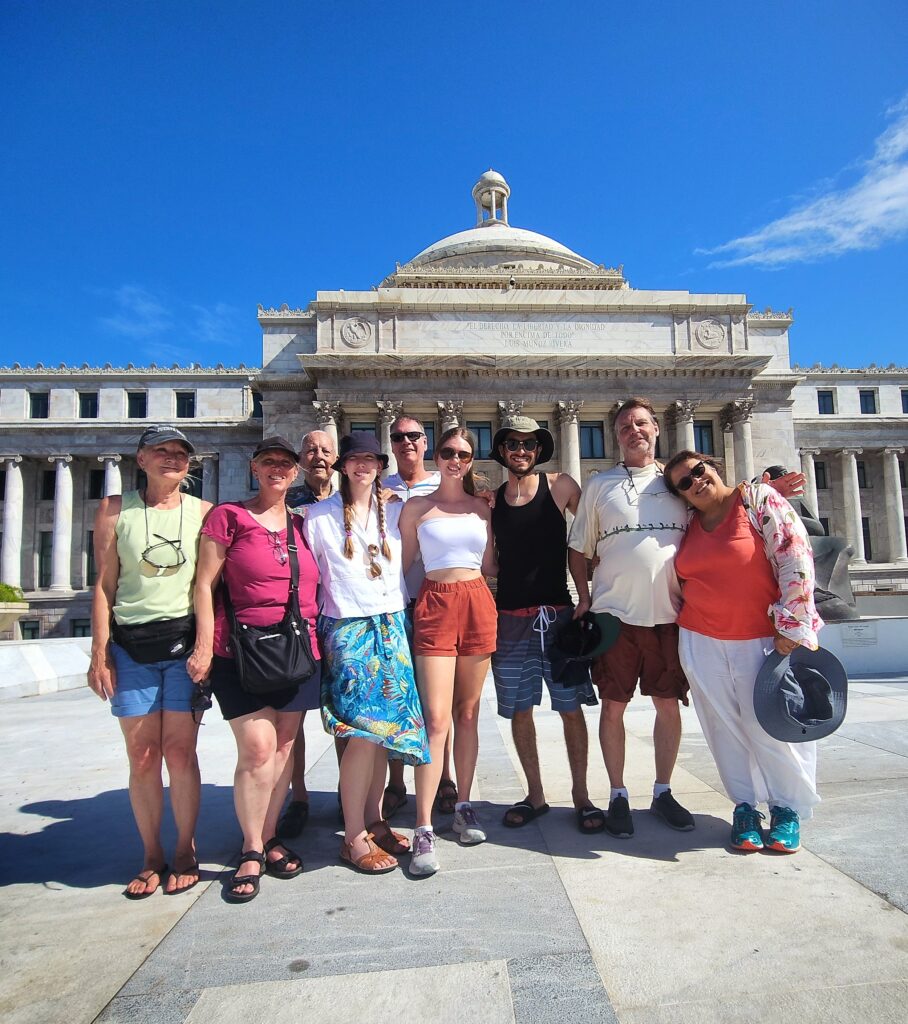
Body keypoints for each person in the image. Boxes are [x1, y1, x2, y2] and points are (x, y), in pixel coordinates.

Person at [569, 397, 806, 840]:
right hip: (613, 617)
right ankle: (618, 794)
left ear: (657, 428)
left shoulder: (678, 484)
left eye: (641, 423)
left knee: (667, 706)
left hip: (671, 618)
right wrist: (583, 597)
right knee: (614, 708)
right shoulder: (599, 485)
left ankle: (662, 791)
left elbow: (723, 505)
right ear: (614, 435)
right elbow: (578, 547)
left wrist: (765, 488)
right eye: (624, 427)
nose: (633, 431)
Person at [663, 450, 823, 853]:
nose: (696, 482)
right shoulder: (688, 523)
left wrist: (793, 625)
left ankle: (787, 809)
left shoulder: (758, 500)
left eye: (698, 471)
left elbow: (795, 556)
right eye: (684, 482)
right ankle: (745, 808)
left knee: (772, 726)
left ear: (712, 466)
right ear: (681, 495)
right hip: (701, 639)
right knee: (724, 729)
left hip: (763, 640)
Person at [189, 436, 320, 903]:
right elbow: (204, 584)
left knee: (284, 746)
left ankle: (267, 838)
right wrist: (203, 645)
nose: (278, 469)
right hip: (238, 650)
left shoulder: (303, 525)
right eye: (269, 462)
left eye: (286, 464)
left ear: (296, 472)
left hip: (299, 651)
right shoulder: (228, 517)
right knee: (258, 748)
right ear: (254, 467)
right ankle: (249, 847)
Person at [88, 424, 211, 898]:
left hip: (181, 644)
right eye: (161, 451)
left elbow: (205, 588)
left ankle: (184, 849)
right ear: (140, 459)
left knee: (180, 753)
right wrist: (99, 652)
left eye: (180, 453)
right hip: (130, 646)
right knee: (142, 757)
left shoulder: (203, 512)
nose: (172, 458)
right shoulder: (115, 510)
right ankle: (150, 854)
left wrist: (204, 647)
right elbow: (104, 585)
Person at [304, 432, 430, 873]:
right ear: (343, 467)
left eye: (369, 460)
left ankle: (376, 821)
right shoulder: (317, 517)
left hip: (392, 624)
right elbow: (314, 578)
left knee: (383, 734)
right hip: (347, 628)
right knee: (359, 733)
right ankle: (353, 833)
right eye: (354, 459)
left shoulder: (395, 511)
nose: (362, 466)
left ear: (380, 465)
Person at [489, 417, 603, 832]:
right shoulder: (493, 499)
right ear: (501, 450)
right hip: (510, 619)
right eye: (513, 444)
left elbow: (593, 530)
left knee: (570, 709)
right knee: (520, 711)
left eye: (530, 444)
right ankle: (535, 795)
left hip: (557, 617)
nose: (522, 451)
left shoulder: (561, 486)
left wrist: (588, 590)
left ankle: (582, 795)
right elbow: (490, 561)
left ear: (539, 450)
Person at [399, 426, 498, 876]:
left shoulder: (483, 508)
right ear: (435, 456)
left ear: (471, 459)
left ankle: (463, 805)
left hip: (478, 599)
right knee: (435, 719)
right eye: (447, 451)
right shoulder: (416, 508)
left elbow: (493, 563)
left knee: (469, 714)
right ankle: (423, 826)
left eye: (463, 453)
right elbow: (400, 568)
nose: (455, 459)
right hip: (435, 601)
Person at [382, 415, 456, 819]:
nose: (406, 442)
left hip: (437, 604)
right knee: (398, 697)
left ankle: (445, 777)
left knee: (437, 701)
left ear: (426, 442)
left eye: (414, 436)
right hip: (393, 605)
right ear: (391, 444)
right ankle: (396, 781)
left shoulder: (444, 485)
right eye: (399, 437)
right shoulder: (379, 489)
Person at [276, 429, 338, 840]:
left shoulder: (351, 499)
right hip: (298, 621)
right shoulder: (286, 504)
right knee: (293, 717)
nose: (318, 456)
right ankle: (298, 797)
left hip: (343, 617)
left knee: (347, 712)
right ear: (300, 459)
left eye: (325, 450)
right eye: (310, 450)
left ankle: (351, 792)